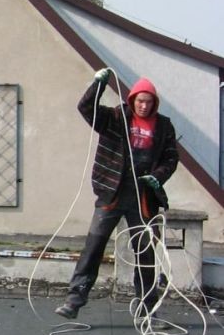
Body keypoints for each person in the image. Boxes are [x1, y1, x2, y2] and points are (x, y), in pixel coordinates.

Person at [56, 67, 178, 320]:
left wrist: (157, 177)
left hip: (143, 196)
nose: (144, 106)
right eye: (140, 101)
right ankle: (74, 300)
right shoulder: (115, 117)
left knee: (145, 252)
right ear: (132, 99)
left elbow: (171, 158)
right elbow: (85, 108)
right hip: (112, 192)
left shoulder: (164, 126)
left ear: (154, 103)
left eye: (149, 102)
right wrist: (98, 84)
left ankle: (147, 310)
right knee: (94, 245)